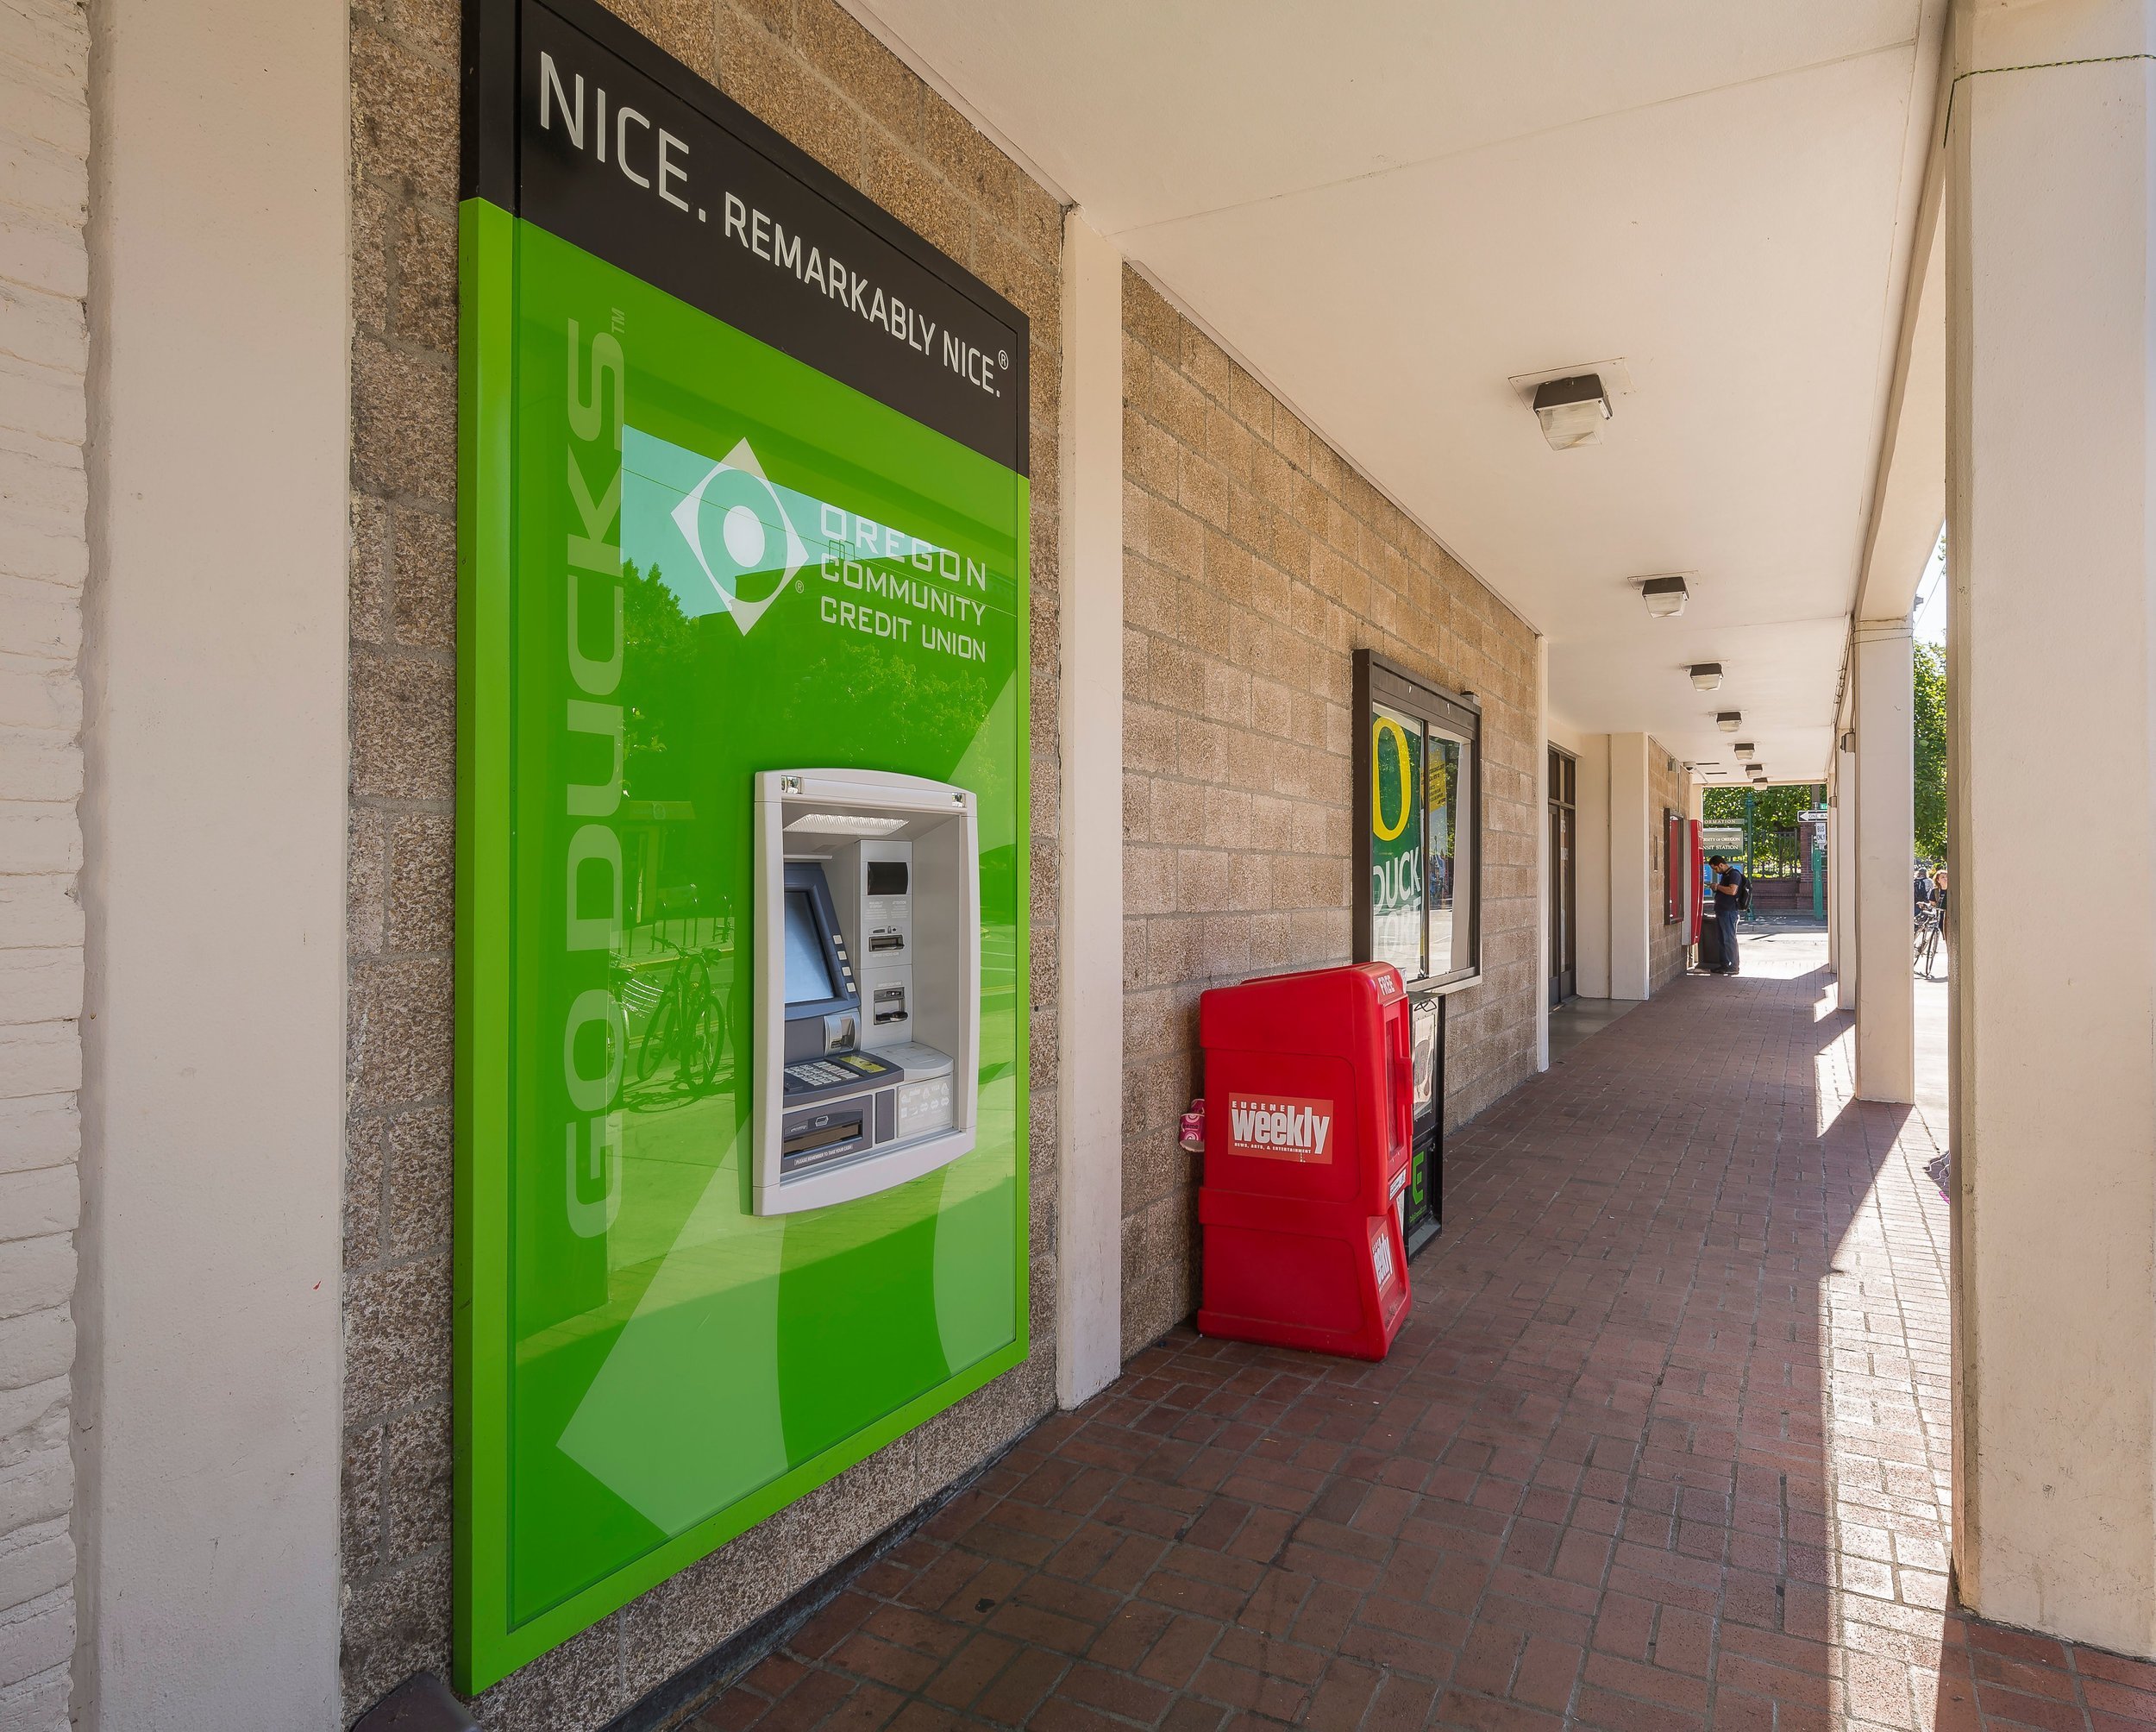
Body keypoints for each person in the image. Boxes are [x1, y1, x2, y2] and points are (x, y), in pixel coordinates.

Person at [1708, 854, 1744, 975]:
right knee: (1722, 939)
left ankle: (1734, 966)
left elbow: (1732, 890)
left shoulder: (1734, 874)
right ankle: (1725, 964)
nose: (1715, 871)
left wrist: (1718, 887)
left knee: (1729, 939)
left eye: (1715, 868)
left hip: (1729, 911)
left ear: (1721, 864)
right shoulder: (1725, 875)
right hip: (1722, 910)